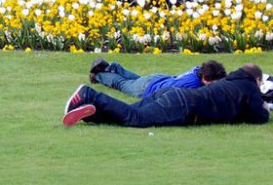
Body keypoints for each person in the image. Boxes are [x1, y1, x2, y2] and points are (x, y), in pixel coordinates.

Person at [63, 64, 270, 127]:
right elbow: (259, 118)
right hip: (184, 105)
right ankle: (88, 94)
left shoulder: (230, 81)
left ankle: (90, 113)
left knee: (131, 113)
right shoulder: (249, 87)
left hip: (174, 94)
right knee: (136, 119)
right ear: (257, 81)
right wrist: (265, 108)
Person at [89, 59, 226, 98]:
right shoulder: (193, 85)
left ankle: (112, 67)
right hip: (150, 88)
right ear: (206, 79)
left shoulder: (198, 70)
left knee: (136, 79)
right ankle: (98, 75)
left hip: (158, 78)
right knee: (122, 84)